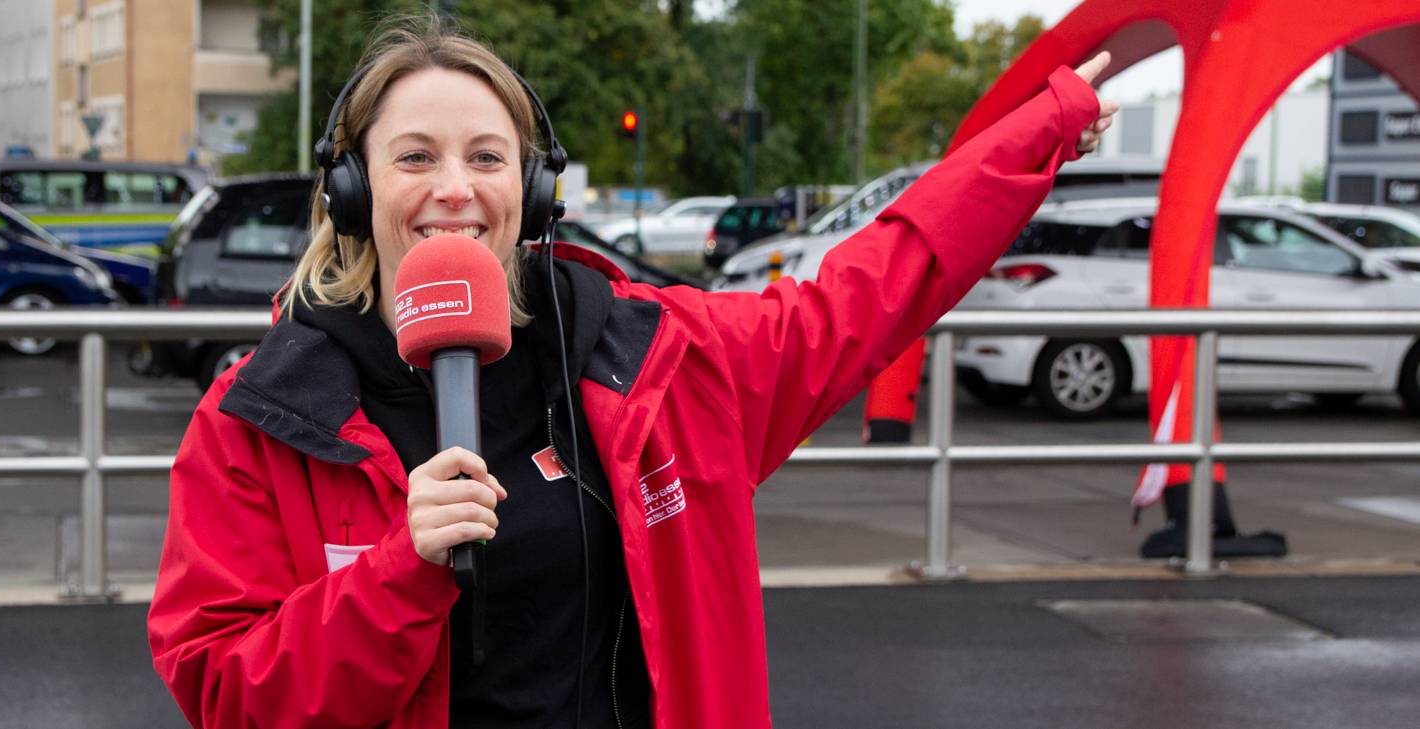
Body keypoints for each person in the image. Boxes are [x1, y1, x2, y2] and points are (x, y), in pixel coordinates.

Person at [148, 15, 1119, 729]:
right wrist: (403, 570)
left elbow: (873, 286)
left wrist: (1037, 134)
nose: (455, 187)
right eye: (414, 157)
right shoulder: (257, 423)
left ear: (530, 189)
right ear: (354, 190)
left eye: (488, 156)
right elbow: (228, 695)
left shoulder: (662, 360)